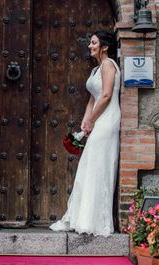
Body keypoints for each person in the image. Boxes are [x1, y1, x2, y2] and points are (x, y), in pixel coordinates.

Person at [50, 31, 121, 236]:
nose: (90, 46)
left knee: (99, 167)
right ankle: (83, 216)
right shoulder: (96, 70)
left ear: (104, 47)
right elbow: (93, 97)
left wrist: (93, 119)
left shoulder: (108, 65)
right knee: (89, 167)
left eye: (93, 43)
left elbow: (106, 95)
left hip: (107, 121)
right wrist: (86, 119)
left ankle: (97, 221)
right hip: (98, 119)